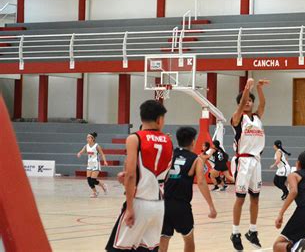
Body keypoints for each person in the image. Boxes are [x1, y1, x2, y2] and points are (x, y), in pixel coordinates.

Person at [105, 100, 174, 252]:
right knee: (147, 249)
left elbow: (130, 176)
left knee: (117, 248)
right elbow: (165, 176)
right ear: (159, 119)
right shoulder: (169, 141)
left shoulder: (134, 138)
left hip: (139, 203)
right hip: (158, 206)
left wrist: (129, 208)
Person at [159, 127, 217, 252]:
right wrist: (211, 206)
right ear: (193, 142)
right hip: (182, 206)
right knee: (188, 240)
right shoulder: (196, 159)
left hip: (164, 204)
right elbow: (201, 182)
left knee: (163, 242)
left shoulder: (170, 154)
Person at [230, 77, 269, 251]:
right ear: (241, 103)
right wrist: (247, 88)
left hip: (256, 161)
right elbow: (240, 106)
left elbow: (263, 105)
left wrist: (259, 89)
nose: (248, 103)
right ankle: (235, 232)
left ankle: (252, 231)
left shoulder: (257, 117)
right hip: (243, 161)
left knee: (255, 198)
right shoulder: (237, 118)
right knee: (240, 198)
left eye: (250, 101)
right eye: (245, 101)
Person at [76, 132, 108, 198]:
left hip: (96, 163)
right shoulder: (86, 146)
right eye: (87, 137)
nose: (87, 139)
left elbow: (102, 154)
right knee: (89, 180)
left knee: (93, 180)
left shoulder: (97, 146)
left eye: (88, 137)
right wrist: (79, 153)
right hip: (89, 164)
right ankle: (95, 192)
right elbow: (81, 151)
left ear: (92, 138)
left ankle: (103, 185)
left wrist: (105, 161)